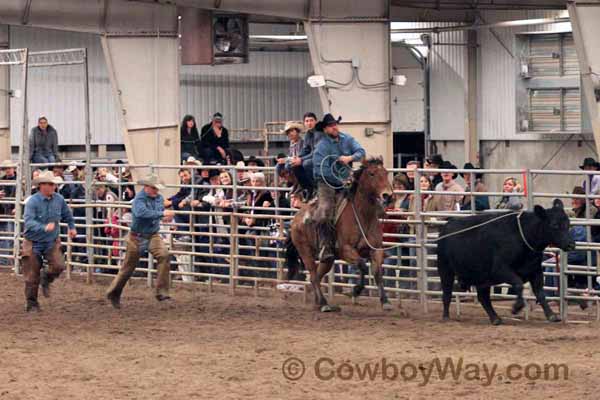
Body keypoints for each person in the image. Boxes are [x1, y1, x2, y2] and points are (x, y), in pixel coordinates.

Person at [105, 174, 174, 308]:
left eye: (157, 188)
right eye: (154, 188)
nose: (156, 191)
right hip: (136, 236)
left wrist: (163, 217)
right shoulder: (139, 200)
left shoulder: (158, 198)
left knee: (164, 255)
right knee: (128, 267)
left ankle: (162, 292)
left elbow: (155, 213)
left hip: (152, 234)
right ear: (146, 187)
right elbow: (141, 213)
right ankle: (114, 292)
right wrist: (162, 214)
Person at [312, 113, 366, 263]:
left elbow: (361, 152)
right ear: (325, 129)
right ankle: (325, 246)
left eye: (335, 124)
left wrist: (350, 158)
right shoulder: (321, 147)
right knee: (324, 211)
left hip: (347, 180)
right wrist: (340, 181)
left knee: (366, 200)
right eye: (330, 125)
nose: (334, 127)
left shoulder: (347, 139)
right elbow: (321, 170)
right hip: (326, 184)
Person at [22, 171, 77, 311]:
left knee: (59, 265)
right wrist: (43, 227)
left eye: (54, 184)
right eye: (51, 184)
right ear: (42, 186)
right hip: (33, 242)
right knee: (31, 275)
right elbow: (28, 222)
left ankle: (46, 277)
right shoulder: (32, 201)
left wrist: (72, 227)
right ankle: (32, 303)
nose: (54, 187)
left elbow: (67, 215)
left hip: (51, 241)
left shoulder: (59, 199)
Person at [277, 121, 313, 197]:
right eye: (288, 132)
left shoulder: (302, 142)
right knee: (279, 166)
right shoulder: (292, 144)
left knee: (289, 165)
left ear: (297, 131)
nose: (290, 134)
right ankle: (294, 183)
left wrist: (286, 160)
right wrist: (286, 159)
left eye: (292, 131)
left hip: (301, 162)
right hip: (294, 161)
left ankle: (299, 184)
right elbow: (291, 155)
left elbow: (300, 155)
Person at [297, 112, 323, 198]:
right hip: (313, 157)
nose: (309, 123)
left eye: (311, 120)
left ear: (316, 121)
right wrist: (297, 157)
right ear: (304, 123)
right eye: (307, 121)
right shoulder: (308, 134)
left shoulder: (319, 133)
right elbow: (305, 149)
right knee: (292, 165)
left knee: (306, 163)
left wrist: (301, 159)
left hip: (322, 158)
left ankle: (316, 187)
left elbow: (316, 152)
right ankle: (307, 187)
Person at [0, 160, 17, 266]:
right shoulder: (1, 181)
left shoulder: (19, 180)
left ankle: (11, 260)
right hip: (3, 210)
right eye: (5, 168)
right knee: (6, 236)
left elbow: (23, 194)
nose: (7, 170)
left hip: (14, 211)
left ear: (13, 168)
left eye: (9, 168)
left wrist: (16, 207)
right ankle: (5, 260)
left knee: (12, 236)